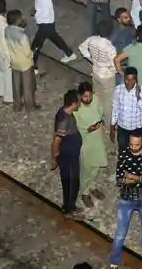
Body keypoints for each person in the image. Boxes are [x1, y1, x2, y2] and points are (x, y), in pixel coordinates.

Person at [108, 129, 142, 267]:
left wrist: (131, 177)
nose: (133, 147)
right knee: (120, 231)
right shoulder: (124, 154)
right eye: (131, 144)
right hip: (126, 197)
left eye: (136, 145)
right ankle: (114, 259)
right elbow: (119, 179)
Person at [32, 0, 77, 68]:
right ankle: (70, 54)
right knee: (56, 39)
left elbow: (44, 14)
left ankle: (33, 66)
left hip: (45, 24)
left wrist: (35, 13)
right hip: (47, 24)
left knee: (36, 46)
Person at [52, 89, 84, 219]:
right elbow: (56, 141)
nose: (80, 103)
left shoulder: (65, 112)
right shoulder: (64, 120)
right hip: (68, 156)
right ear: (73, 104)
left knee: (70, 181)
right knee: (72, 182)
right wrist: (55, 157)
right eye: (78, 102)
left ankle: (68, 206)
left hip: (71, 154)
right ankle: (69, 208)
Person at [110, 67, 142, 151]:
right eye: (127, 80)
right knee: (122, 149)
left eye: (132, 80)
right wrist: (112, 127)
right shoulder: (118, 90)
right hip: (123, 127)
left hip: (137, 128)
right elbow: (115, 109)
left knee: (137, 150)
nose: (129, 83)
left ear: (136, 79)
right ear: (124, 78)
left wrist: (138, 98)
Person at [5, 9, 39, 112]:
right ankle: (30, 106)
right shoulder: (23, 36)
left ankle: (17, 105)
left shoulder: (6, 30)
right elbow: (27, 53)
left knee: (16, 85)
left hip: (14, 61)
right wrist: (33, 52)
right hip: (25, 63)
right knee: (27, 86)